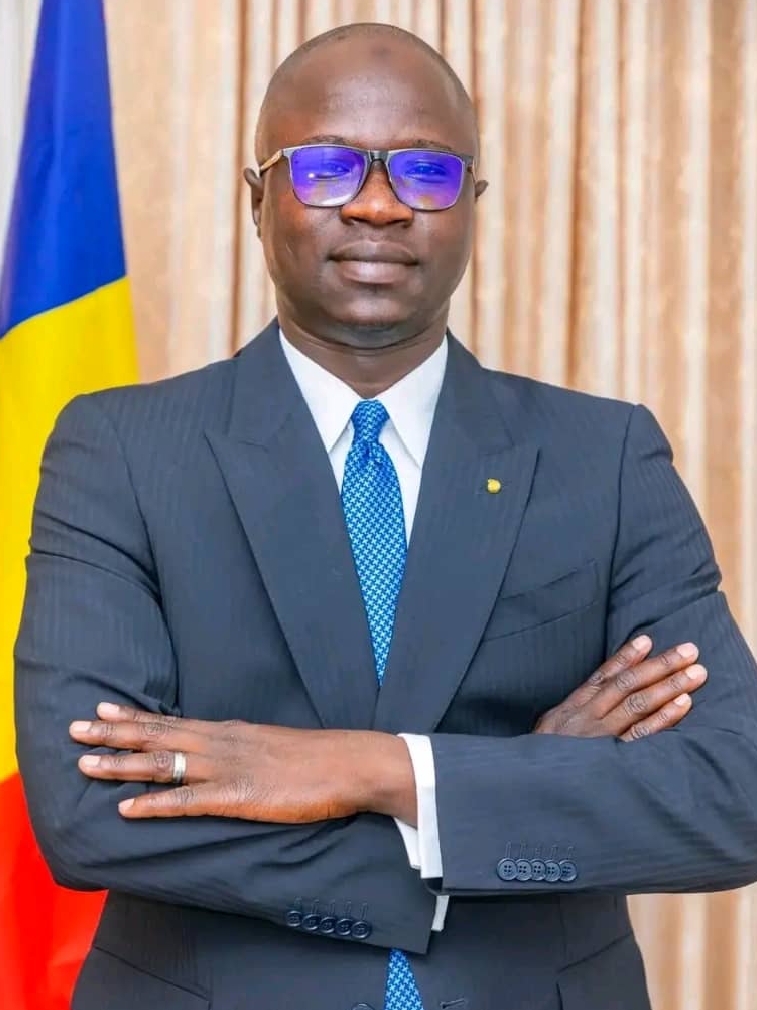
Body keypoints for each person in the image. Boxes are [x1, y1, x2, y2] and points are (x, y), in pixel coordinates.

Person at [14, 22, 757, 1010]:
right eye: (325, 167)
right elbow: (90, 812)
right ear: (257, 200)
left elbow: (731, 793)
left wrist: (377, 771)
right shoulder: (121, 450)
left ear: (472, 204)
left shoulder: (604, 458)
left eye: (425, 171)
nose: (377, 203)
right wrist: (512, 789)